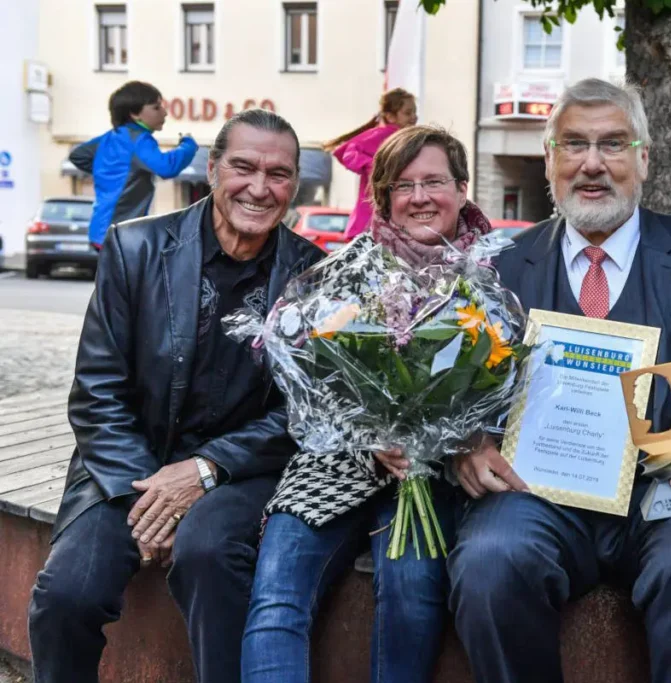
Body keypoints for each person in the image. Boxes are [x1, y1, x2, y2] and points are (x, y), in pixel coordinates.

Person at [446, 78, 671, 683]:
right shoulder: (501, 271)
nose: (593, 164)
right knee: (490, 557)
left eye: (613, 144)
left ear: (644, 159)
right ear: (550, 159)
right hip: (541, 502)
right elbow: (463, 405)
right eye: (574, 145)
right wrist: (467, 447)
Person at [28, 109, 325, 683]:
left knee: (209, 556)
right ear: (212, 169)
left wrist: (207, 469)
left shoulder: (313, 275)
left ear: (294, 184)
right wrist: (149, 497)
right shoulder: (134, 248)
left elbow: (302, 412)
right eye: (243, 167)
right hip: (125, 468)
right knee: (66, 596)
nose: (259, 188)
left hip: (239, 471)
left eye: (279, 174)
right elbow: (97, 393)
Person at [242, 125, 493, 683]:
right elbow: (302, 374)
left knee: (411, 588)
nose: (420, 197)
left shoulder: (491, 277)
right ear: (382, 196)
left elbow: (501, 391)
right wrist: (364, 427)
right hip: (333, 462)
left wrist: (440, 437)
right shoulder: (344, 269)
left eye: (434, 181)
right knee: (277, 591)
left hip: (427, 477)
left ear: (462, 187)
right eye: (403, 185)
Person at [69, 80, 198, 250]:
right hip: (120, 233)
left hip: (101, 230)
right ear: (135, 114)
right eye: (156, 107)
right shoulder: (139, 140)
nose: (165, 113)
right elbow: (167, 168)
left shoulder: (111, 137)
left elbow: (77, 155)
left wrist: (110, 170)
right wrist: (187, 146)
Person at [324, 88, 418, 241]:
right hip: (372, 220)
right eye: (408, 113)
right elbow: (348, 152)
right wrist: (374, 167)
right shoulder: (382, 135)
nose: (414, 117)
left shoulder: (408, 139)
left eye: (415, 112)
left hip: (392, 220)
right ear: (390, 116)